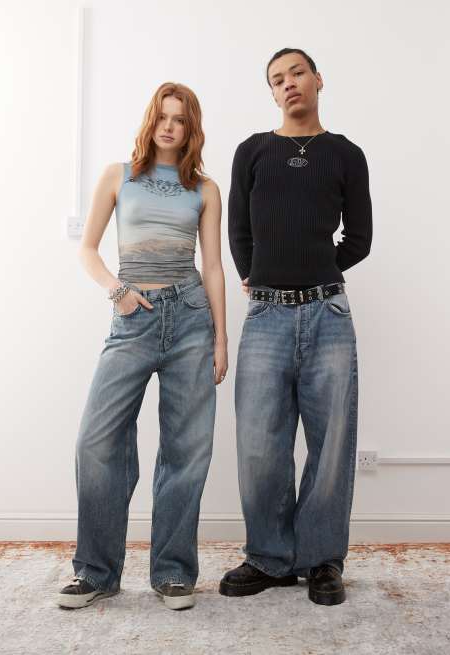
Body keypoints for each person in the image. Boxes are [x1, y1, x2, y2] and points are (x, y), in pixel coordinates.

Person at [57, 82, 228, 611]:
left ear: (191, 128)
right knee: (96, 442)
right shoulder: (119, 176)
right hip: (132, 317)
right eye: (163, 117)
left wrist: (222, 337)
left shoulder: (205, 188)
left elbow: (213, 266)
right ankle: (96, 572)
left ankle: (173, 572)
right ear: (151, 120)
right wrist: (117, 292)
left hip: (191, 319)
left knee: (187, 449)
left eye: (181, 119)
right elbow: (87, 249)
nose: (170, 127)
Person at [220, 48, 372, 605]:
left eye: (297, 73)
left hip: (328, 313)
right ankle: (269, 558)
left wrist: (318, 269)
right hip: (265, 315)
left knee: (330, 443)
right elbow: (238, 229)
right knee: (260, 444)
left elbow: (359, 238)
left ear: (317, 80)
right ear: (272, 92)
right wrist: (254, 274)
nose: (289, 84)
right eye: (277, 79)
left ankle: (321, 560)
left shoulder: (346, 154)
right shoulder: (253, 151)